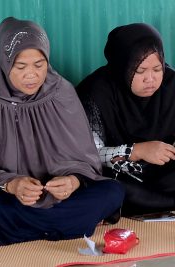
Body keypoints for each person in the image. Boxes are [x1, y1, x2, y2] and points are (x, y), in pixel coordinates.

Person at [0, 17, 124, 248]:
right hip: (5, 195)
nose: (32, 75)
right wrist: (11, 184)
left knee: (112, 190)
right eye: (21, 67)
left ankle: (8, 231)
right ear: (5, 61)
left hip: (56, 199)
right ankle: (66, 227)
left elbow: (85, 161)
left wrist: (72, 181)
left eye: (39, 65)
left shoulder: (61, 91)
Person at [77, 23, 175, 215]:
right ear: (122, 65)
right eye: (140, 71)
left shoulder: (171, 84)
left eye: (157, 69)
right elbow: (88, 155)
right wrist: (137, 151)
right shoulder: (97, 91)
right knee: (110, 189)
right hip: (124, 174)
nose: (151, 79)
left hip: (164, 173)